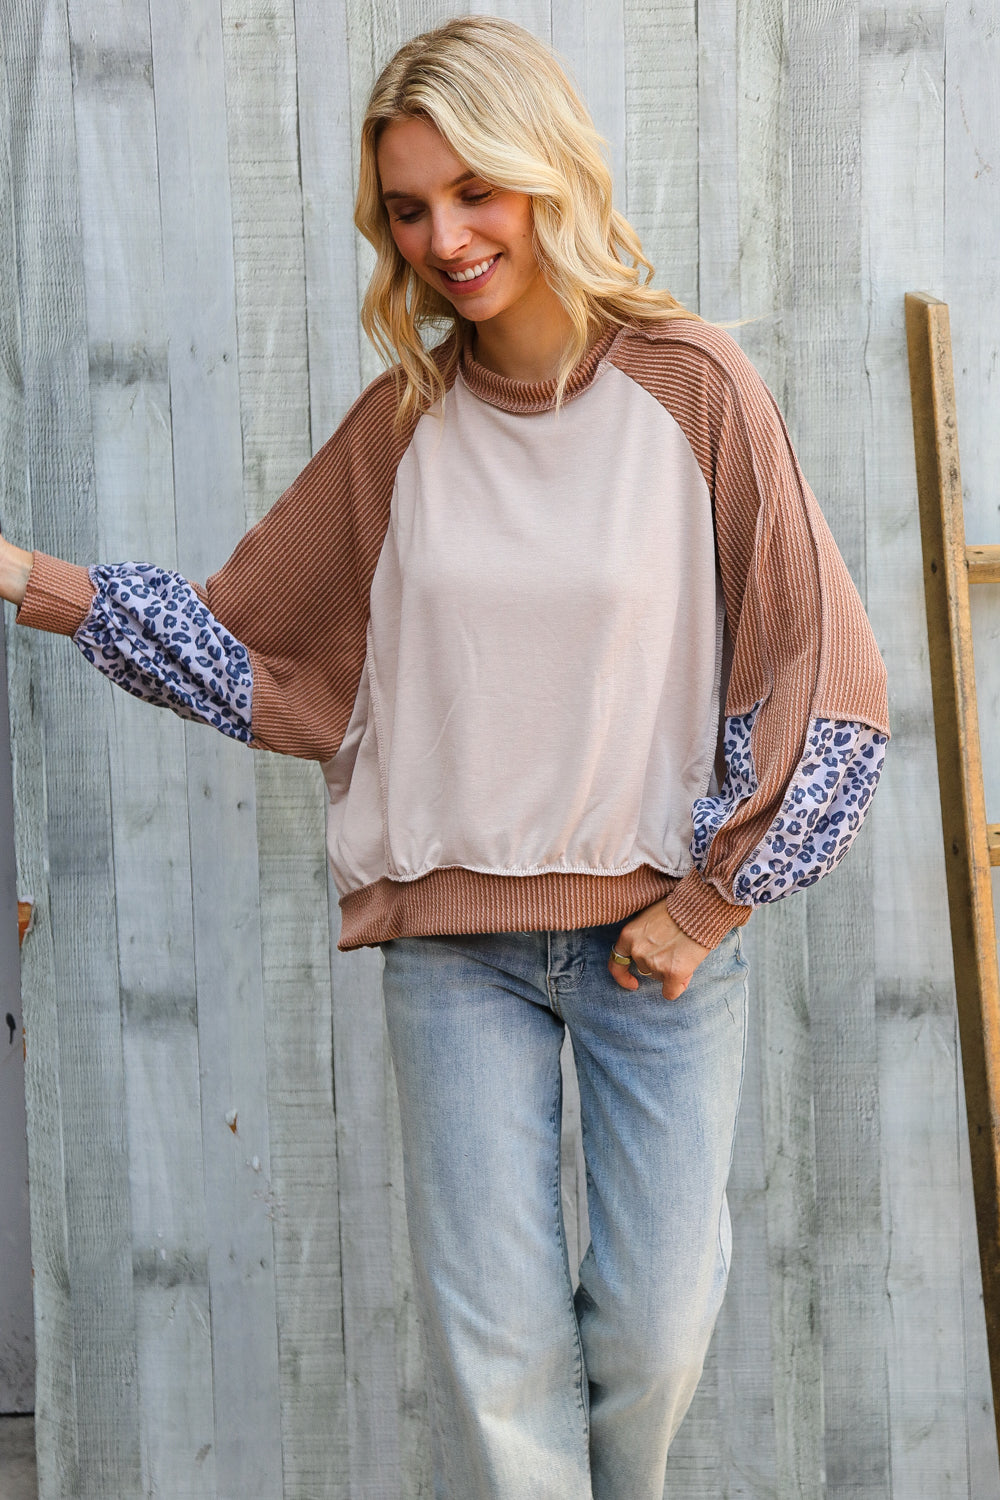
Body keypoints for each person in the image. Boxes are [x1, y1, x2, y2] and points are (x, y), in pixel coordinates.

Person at [0, 16, 889, 1499]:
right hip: (453, 954)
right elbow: (251, 652)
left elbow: (820, 679)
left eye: (473, 191)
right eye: (408, 209)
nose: (445, 239)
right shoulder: (404, 428)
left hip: (655, 944)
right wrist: (29, 574)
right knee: (500, 1367)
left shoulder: (695, 388)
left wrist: (712, 904)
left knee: (659, 1335)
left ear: (547, 172)